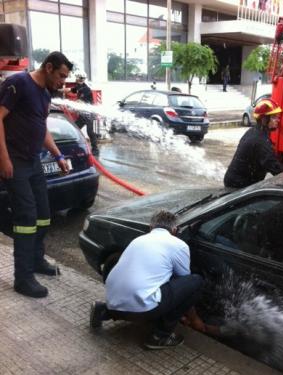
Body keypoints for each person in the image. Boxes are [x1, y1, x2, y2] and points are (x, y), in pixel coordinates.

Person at [0, 51, 73, 298]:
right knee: (26, 218)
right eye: (61, 76)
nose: (63, 82)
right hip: (15, 162)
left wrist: (59, 155)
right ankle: (23, 277)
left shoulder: (44, 95)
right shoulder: (18, 83)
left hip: (33, 162)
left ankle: (37, 260)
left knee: (43, 214)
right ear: (49, 67)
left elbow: (42, 130)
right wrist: (4, 159)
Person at [90, 210, 205, 349]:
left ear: (151, 227)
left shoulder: (137, 240)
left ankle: (102, 311)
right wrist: (194, 318)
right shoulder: (179, 245)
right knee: (196, 281)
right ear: (175, 230)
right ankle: (160, 336)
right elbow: (186, 282)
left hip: (112, 304)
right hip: (142, 312)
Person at [223, 98, 283, 188]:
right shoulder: (260, 140)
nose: (278, 120)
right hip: (238, 186)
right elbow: (274, 167)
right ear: (264, 119)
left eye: (277, 117)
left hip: (238, 182)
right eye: (274, 117)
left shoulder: (255, 131)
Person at [70, 71, 99, 157]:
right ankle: (75, 147)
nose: (75, 79)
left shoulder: (86, 89)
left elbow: (80, 101)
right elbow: (71, 90)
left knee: (90, 132)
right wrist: (57, 90)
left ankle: (95, 150)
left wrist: (70, 105)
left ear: (80, 78)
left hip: (89, 115)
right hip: (82, 115)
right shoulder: (79, 87)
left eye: (77, 77)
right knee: (75, 129)